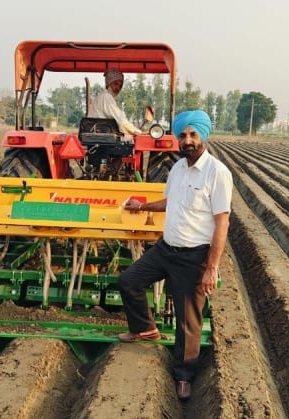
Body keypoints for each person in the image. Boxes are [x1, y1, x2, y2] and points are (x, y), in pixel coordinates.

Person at [117, 110, 233, 401]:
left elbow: (222, 222)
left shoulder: (217, 173)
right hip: (165, 249)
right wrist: (141, 207)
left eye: (193, 134)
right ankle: (144, 329)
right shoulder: (178, 168)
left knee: (188, 321)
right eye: (182, 135)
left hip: (193, 256)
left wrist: (211, 267)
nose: (187, 140)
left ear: (203, 136)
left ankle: (184, 376)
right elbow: (172, 201)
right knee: (128, 281)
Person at [88, 69, 144, 135]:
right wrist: (138, 132)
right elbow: (121, 121)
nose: (118, 88)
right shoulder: (106, 97)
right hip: (102, 138)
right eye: (116, 84)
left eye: (120, 86)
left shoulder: (101, 97)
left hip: (98, 135)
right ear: (109, 83)